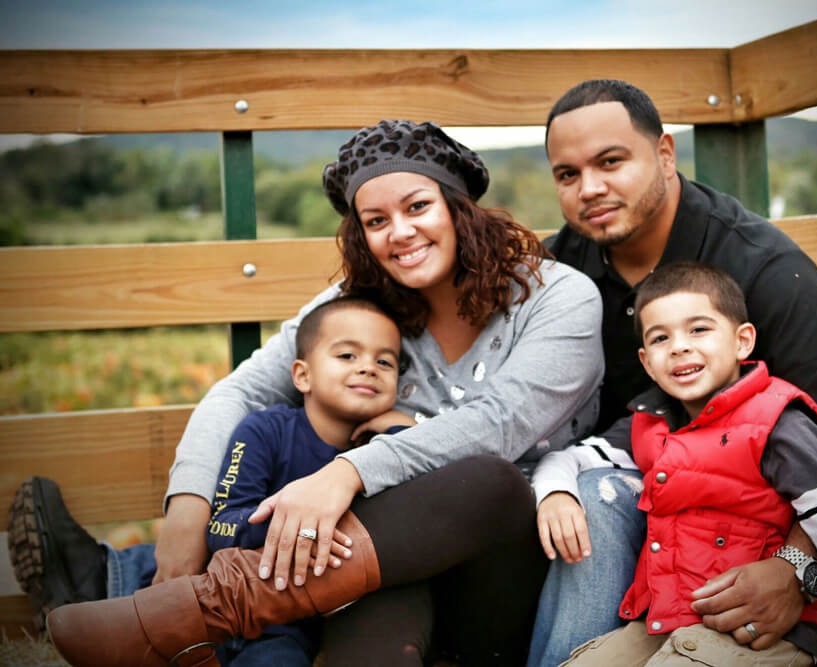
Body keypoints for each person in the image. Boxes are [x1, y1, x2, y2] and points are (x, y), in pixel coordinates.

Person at [11, 119, 604, 667]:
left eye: (418, 206)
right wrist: (189, 505)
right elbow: (240, 391)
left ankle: (186, 607)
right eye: (375, 221)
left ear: (458, 209)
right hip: (364, 572)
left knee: (489, 480)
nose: (400, 233)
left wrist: (346, 471)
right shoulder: (363, 300)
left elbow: (500, 423)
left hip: (495, 575)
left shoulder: (558, 298)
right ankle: (166, 608)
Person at [528, 79, 817, 666]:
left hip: (755, 531)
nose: (589, 188)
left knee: (596, 496)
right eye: (567, 174)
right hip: (637, 512)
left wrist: (795, 570)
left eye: (611, 161)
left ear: (665, 154)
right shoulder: (556, 271)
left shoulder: (764, 267)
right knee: (586, 492)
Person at [534, 261, 817, 667]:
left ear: (742, 341)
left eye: (699, 329)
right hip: (659, 627)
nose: (680, 346)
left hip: (755, 638)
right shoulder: (648, 422)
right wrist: (558, 492)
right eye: (660, 337)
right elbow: (568, 459)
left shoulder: (777, 424)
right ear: (647, 363)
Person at [208, 296, 411, 667]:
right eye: (347, 356)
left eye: (385, 361)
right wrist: (292, 525)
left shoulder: (389, 450)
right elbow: (221, 526)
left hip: (311, 626)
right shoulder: (264, 431)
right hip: (236, 602)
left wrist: (403, 432)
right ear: (303, 375)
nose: (368, 368)